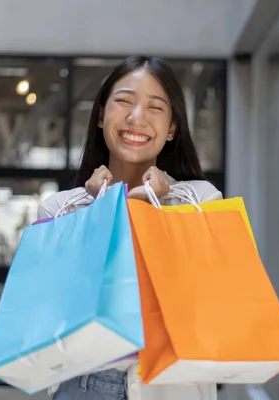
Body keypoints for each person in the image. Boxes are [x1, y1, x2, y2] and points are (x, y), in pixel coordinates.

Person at [38, 55, 220, 400]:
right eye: (123, 101)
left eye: (155, 107)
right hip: (85, 384)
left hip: (171, 388)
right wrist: (99, 212)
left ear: (171, 129)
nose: (137, 117)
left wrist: (154, 212)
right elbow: (55, 315)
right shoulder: (62, 209)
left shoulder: (200, 202)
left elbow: (202, 305)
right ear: (102, 115)